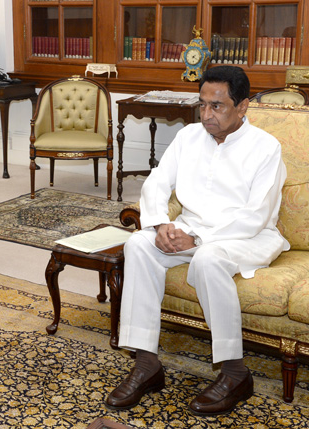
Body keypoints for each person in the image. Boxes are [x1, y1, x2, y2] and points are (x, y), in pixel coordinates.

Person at [105, 66, 289, 415]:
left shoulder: (266, 148)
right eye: (202, 105)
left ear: (243, 106)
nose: (207, 115)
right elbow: (157, 182)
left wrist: (196, 238)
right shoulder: (189, 136)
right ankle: (147, 365)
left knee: (208, 258)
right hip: (188, 230)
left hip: (245, 236)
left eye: (217, 106)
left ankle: (235, 373)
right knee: (138, 246)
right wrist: (160, 224)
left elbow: (256, 215)